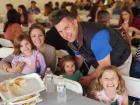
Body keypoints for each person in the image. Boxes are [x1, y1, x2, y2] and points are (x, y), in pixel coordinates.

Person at [48, 9, 132, 86]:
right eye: (60, 31)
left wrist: (90, 77)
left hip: (120, 58)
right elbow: (79, 57)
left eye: (66, 28)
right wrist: (71, 71)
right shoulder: (71, 36)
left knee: (116, 89)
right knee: (92, 88)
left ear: (74, 22)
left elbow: (105, 66)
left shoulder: (96, 37)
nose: (65, 35)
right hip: (98, 60)